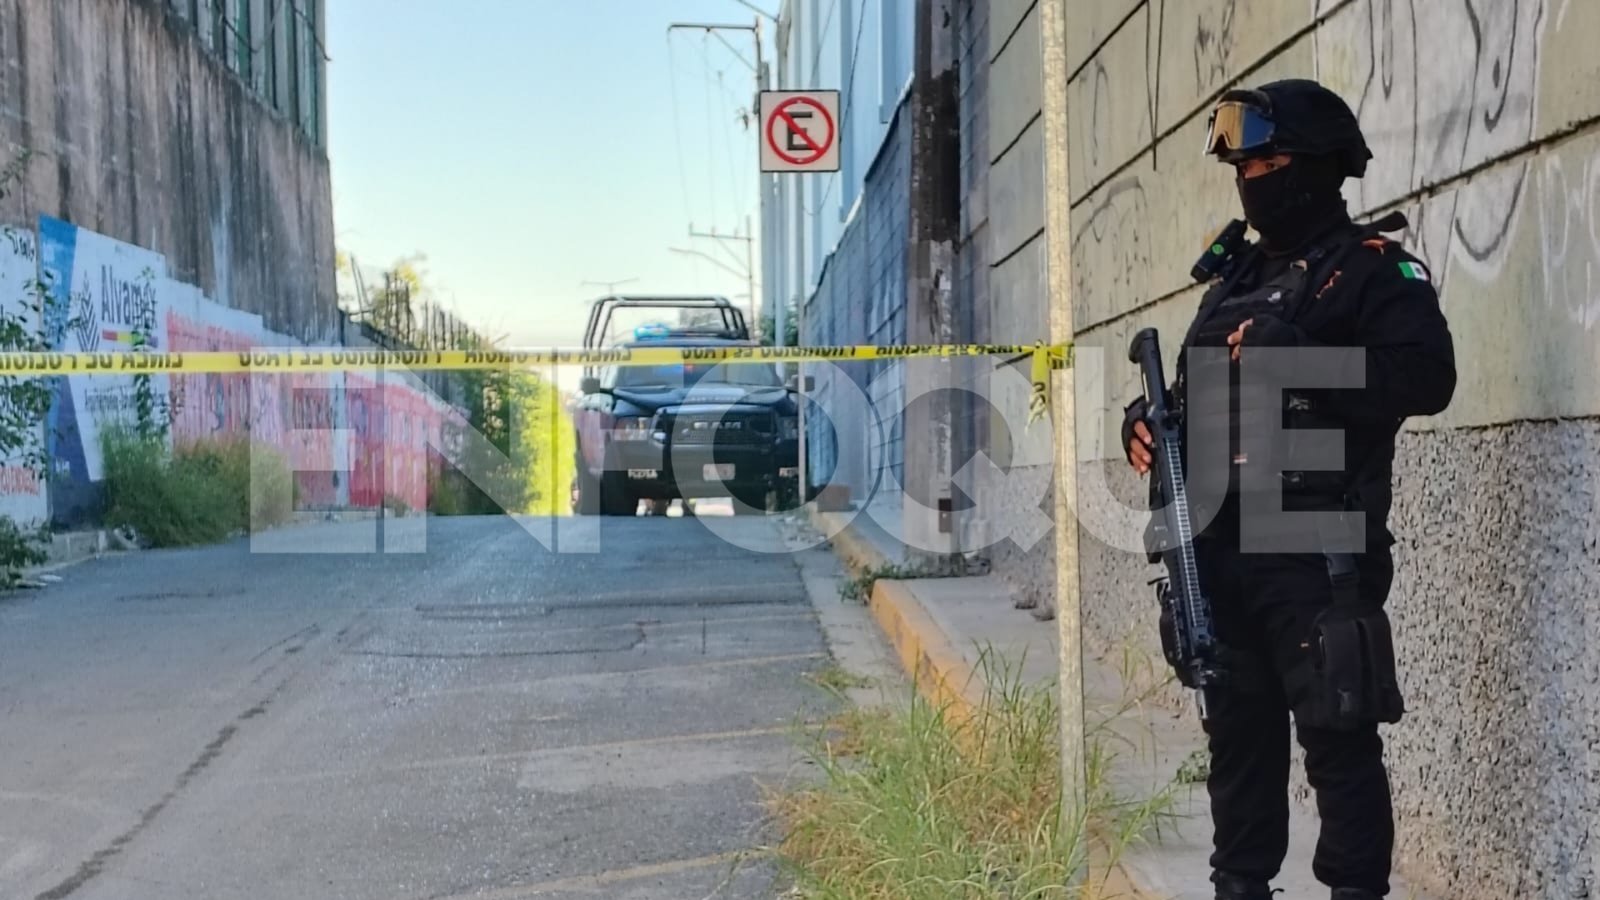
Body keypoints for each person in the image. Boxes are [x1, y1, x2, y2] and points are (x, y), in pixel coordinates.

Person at [1120, 79, 1457, 900]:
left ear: (1318, 166)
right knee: (1238, 743)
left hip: (1314, 548)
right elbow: (1203, 389)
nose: (1253, 180)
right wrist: (1146, 422)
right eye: (1244, 167)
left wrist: (1296, 353)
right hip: (1216, 547)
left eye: (1269, 164)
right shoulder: (1234, 276)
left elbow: (1428, 378)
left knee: (1338, 740)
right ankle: (1240, 885)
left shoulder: (1372, 268)